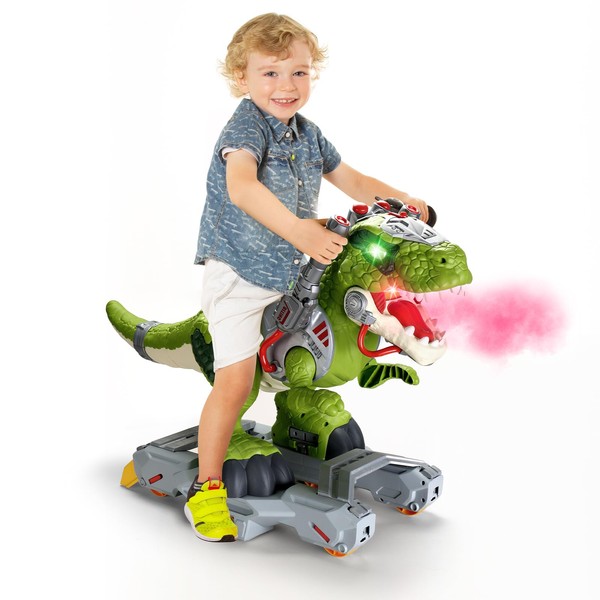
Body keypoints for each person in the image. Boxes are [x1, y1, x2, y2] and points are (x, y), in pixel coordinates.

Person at [186, 13, 430, 542]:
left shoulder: (309, 134)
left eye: (298, 72)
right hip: (240, 275)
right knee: (235, 383)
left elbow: (353, 180)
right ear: (242, 78)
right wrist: (301, 231)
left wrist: (404, 201)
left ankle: (296, 420)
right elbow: (242, 188)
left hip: (292, 272)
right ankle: (206, 488)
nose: (286, 85)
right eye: (270, 73)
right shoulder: (245, 129)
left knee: (317, 346)